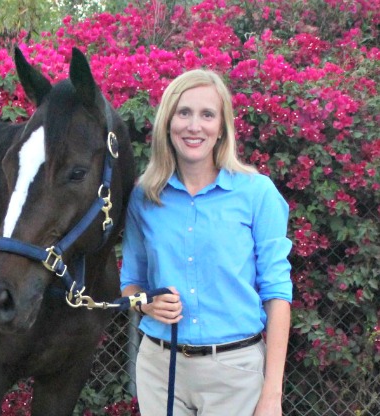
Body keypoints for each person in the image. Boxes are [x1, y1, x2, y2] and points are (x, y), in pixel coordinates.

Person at [120, 69, 292, 416]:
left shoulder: (257, 194)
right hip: (160, 370)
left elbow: (277, 295)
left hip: (235, 374)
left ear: (222, 127)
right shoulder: (144, 197)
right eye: (184, 113)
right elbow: (130, 285)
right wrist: (146, 305)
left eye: (207, 115)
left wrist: (272, 394)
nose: (194, 126)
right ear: (168, 123)